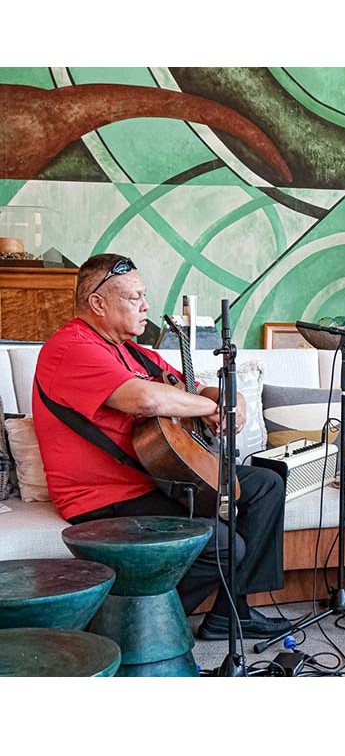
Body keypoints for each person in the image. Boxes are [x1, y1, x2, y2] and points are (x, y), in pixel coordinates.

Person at [32, 253, 291, 641]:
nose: (146, 306)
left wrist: (221, 396)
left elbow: (185, 388)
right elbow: (147, 400)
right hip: (104, 499)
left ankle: (231, 612)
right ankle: (132, 629)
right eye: (134, 297)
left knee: (266, 485)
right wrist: (212, 408)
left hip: (156, 479)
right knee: (223, 545)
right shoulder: (70, 348)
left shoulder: (133, 352)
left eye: (144, 296)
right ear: (98, 302)